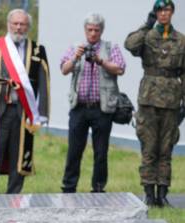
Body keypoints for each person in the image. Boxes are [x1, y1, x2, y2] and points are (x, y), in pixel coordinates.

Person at [0, 9, 49, 194]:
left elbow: (44, 81)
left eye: (22, 24)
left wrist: (42, 113)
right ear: (8, 24)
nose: (18, 27)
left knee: (19, 154)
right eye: (15, 23)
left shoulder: (37, 50)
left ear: (28, 26)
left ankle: (14, 196)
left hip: (24, 112)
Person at [125, 0, 185, 207]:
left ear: (172, 12)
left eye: (167, 10)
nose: (163, 13)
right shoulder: (147, 35)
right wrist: (146, 25)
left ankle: (163, 193)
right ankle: (149, 193)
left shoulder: (181, 40)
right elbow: (130, 45)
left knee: (166, 148)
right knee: (149, 147)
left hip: (171, 101)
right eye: (159, 10)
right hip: (149, 99)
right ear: (155, 13)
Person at [60, 13, 126, 194]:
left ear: (102, 31)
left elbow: (120, 69)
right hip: (79, 107)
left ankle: (98, 188)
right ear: (85, 30)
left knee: (101, 152)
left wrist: (100, 61)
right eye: (89, 30)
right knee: (74, 151)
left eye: (96, 30)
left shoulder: (110, 47)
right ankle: (69, 188)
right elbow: (64, 69)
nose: (93, 33)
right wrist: (76, 57)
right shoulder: (76, 47)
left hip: (102, 108)